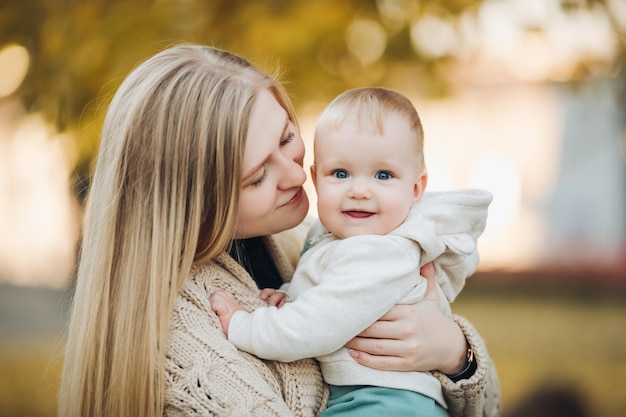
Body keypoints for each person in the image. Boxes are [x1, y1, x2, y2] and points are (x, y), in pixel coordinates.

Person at [58, 44, 500, 417]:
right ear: (196, 205)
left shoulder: (306, 239)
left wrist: (456, 354)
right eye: (257, 177)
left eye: (287, 138)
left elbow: (488, 403)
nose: (294, 174)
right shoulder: (183, 333)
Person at [210, 87, 494, 416]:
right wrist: (292, 296)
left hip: (387, 403)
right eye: (340, 174)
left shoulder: (381, 253)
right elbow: (335, 297)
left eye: (383, 175)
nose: (359, 191)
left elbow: (312, 328)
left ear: (416, 189)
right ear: (316, 180)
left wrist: (243, 325)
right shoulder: (336, 238)